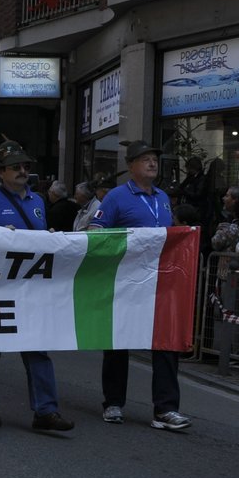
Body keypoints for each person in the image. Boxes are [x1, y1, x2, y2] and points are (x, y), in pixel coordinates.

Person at [0, 140, 73, 432]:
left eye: (26, 166)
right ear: (0, 171)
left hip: (29, 288)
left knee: (37, 348)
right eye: (16, 167)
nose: (23, 171)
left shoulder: (38, 202)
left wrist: (49, 238)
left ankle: (45, 411)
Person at [88, 140, 190, 431]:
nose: (152, 163)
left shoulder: (162, 198)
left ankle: (166, 409)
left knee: (166, 343)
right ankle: (113, 402)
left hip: (159, 281)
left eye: (154, 158)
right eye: (144, 159)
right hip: (126, 280)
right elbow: (96, 233)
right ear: (131, 166)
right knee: (119, 341)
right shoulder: (116, 198)